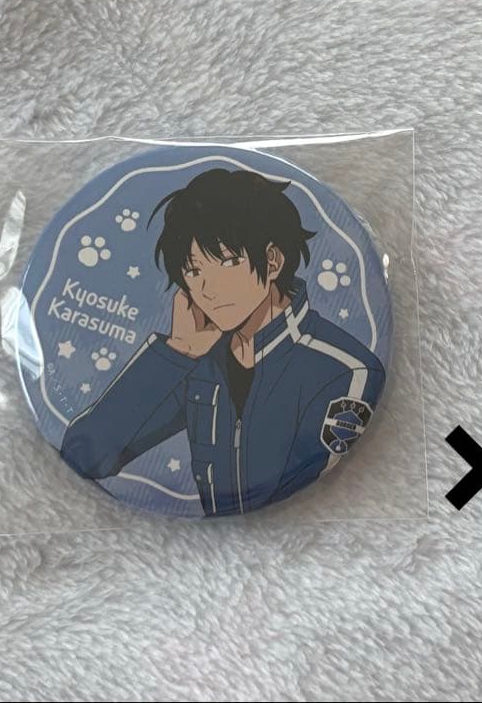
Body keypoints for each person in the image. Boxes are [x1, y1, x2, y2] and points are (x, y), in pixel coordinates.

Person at [60, 168, 385, 516]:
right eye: (193, 271)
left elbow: (294, 497)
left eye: (227, 262)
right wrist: (177, 353)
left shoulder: (346, 371)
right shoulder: (195, 360)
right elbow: (85, 455)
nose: (207, 289)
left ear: (272, 261)